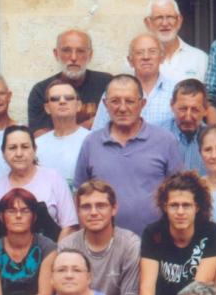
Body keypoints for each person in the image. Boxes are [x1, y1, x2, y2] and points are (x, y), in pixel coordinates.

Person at [73, 75, 185, 237]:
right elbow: (79, 193)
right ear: (105, 104)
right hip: (104, 243)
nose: (122, 108)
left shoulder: (165, 141)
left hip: (155, 242)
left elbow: (180, 192)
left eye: (130, 101)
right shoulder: (91, 143)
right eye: (115, 101)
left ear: (142, 104)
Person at [137, 171, 216, 295]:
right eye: (174, 205)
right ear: (165, 207)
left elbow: (199, 285)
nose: (180, 211)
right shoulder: (153, 233)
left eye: (186, 205)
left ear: (197, 207)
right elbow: (147, 286)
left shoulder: (211, 232)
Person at [0, 125, 77, 240]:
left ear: (34, 149)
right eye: (12, 148)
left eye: (25, 147)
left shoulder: (54, 179)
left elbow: (69, 227)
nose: (19, 153)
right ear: (3, 153)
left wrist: (57, 251)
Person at [58, 179, 141, 295]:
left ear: (114, 209)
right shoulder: (67, 246)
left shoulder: (130, 245)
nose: (93, 212)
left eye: (101, 206)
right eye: (86, 207)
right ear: (78, 211)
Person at [26, 28, 112, 132]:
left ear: (90, 55)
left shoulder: (107, 84)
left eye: (80, 51)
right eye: (66, 50)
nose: (73, 57)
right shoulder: (41, 91)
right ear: (56, 54)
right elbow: (38, 135)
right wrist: (92, 123)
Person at [92, 34, 175, 133]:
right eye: (139, 53)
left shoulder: (175, 91)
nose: (146, 57)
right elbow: (98, 131)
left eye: (152, 51)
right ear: (130, 60)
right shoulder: (113, 91)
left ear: (162, 57)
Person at [34, 75, 92, 185]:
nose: (62, 101)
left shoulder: (92, 140)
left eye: (68, 98)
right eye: (55, 99)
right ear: (47, 108)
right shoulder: (37, 145)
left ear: (78, 105)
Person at [144, 0, 209, 83]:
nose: (165, 23)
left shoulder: (200, 58)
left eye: (170, 17)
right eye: (159, 18)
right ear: (148, 23)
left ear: (179, 21)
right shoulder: (139, 60)